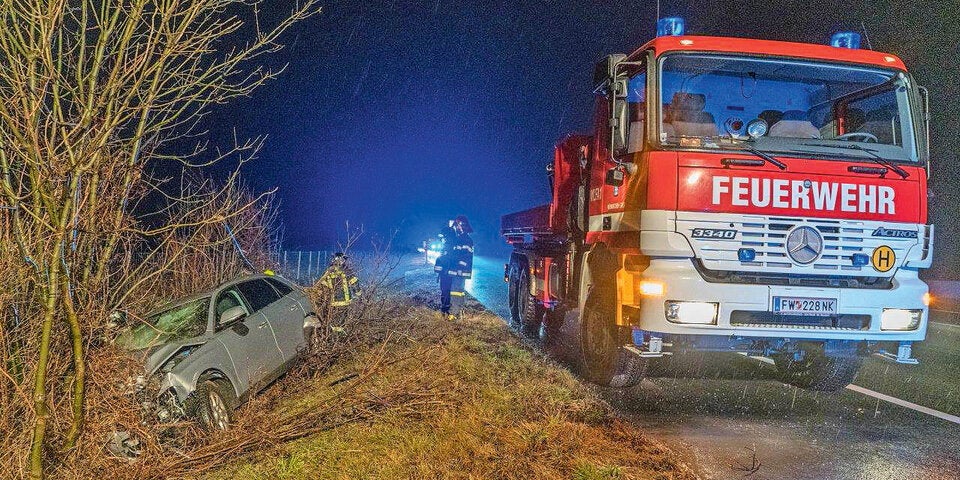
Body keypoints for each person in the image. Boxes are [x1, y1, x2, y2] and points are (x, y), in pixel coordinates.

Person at [435, 215, 474, 320]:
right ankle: (457, 312)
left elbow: (465, 257)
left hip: (460, 271)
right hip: (456, 271)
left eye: (457, 225)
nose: (456, 228)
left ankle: (454, 314)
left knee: (456, 292)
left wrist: (458, 268)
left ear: (462, 226)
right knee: (457, 292)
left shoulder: (466, 240)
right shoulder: (459, 239)